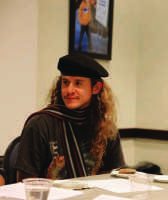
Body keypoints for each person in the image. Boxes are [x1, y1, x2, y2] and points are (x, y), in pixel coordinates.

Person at [15, 53, 125, 181]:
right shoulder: (40, 125)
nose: (69, 90)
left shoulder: (106, 128)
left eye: (78, 83)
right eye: (65, 82)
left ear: (95, 88)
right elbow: (24, 183)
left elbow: (117, 177)